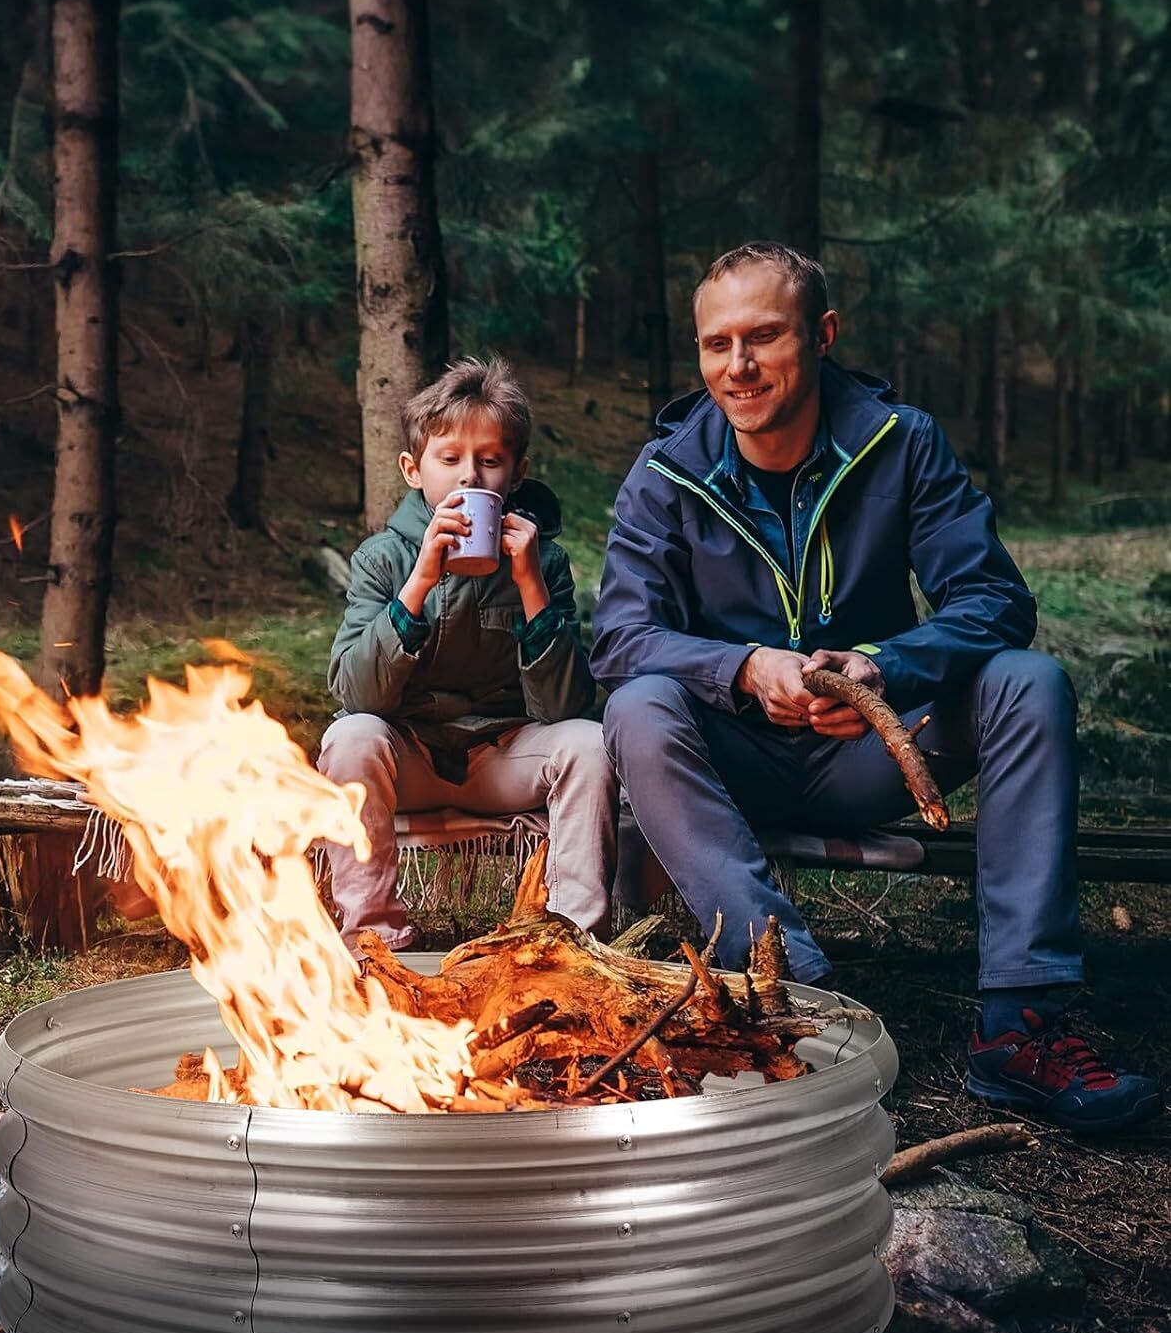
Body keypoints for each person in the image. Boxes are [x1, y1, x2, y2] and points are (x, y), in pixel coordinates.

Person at [592, 240, 1161, 1134]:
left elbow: (994, 600)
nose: (736, 367)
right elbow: (620, 641)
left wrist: (883, 665)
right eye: (716, 345)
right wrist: (742, 669)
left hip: (874, 751)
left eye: (764, 338)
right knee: (636, 706)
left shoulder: (900, 443)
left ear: (821, 335)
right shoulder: (668, 473)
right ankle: (804, 999)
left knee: (1028, 683)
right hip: (727, 756)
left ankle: (1024, 1025)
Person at [320, 356, 615, 951]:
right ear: (413, 469)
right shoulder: (382, 559)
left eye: (490, 460)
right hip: (412, 760)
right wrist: (419, 583)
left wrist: (530, 584)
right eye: (449, 459)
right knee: (349, 738)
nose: (470, 479)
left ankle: (571, 945)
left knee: (589, 743)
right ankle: (374, 940)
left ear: (517, 471)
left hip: (503, 757)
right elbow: (357, 694)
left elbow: (568, 707)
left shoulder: (546, 563)